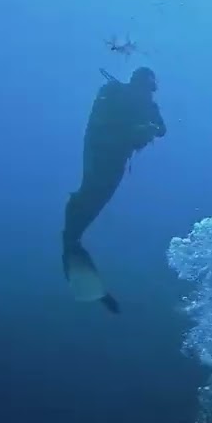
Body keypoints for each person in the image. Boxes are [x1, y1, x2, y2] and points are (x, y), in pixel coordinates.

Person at [61, 67, 167, 314]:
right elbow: (98, 122)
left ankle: (73, 239)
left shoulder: (149, 106)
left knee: (91, 204)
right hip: (99, 154)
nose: (146, 93)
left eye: (150, 90)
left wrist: (148, 127)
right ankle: (72, 238)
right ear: (134, 83)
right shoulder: (112, 92)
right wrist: (131, 130)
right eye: (143, 87)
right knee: (88, 197)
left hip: (117, 161)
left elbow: (162, 129)